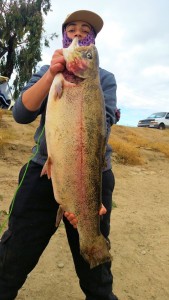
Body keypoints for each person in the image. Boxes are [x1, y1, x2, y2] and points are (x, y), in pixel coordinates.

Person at [0, 10, 118, 300]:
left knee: (96, 275)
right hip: (43, 171)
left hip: (91, 176)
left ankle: (96, 256)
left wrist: (90, 193)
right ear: (65, 36)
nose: (78, 34)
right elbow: (20, 113)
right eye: (72, 29)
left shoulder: (104, 79)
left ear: (93, 42)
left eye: (86, 31)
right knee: (12, 257)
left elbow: (103, 125)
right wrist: (54, 73)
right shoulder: (46, 70)